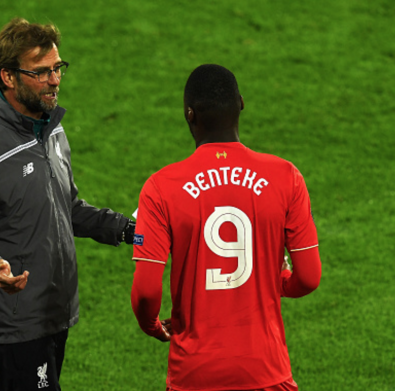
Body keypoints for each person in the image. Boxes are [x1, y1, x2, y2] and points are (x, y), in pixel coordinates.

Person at [0, 17, 135, 391]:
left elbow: (68, 208)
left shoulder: (51, 130)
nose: (55, 79)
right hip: (12, 325)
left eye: (57, 68)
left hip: (51, 312)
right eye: (41, 72)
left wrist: (126, 229)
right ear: (8, 77)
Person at [130, 64, 322, 391]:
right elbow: (308, 277)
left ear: (190, 115)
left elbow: (147, 291)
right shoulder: (286, 177)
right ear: (241, 105)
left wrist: (152, 325)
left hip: (194, 374)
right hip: (266, 371)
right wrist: (277, 281)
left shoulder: (160, 188)